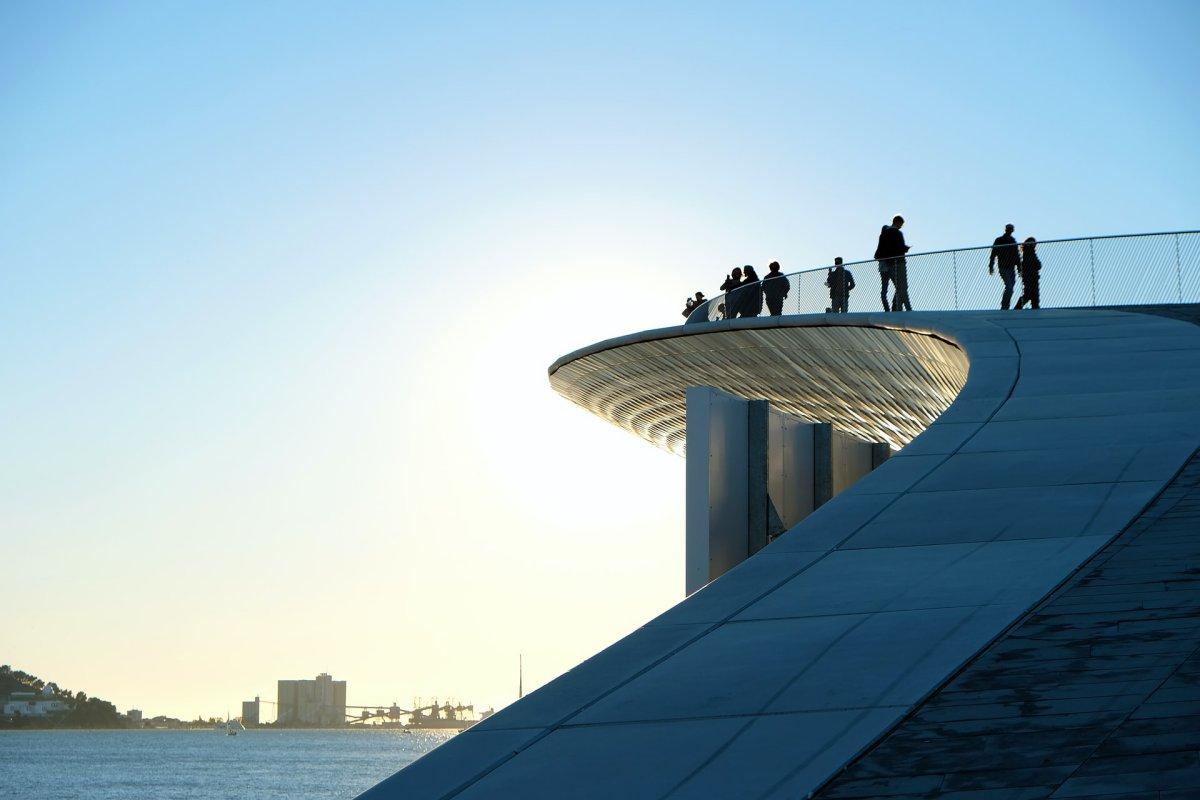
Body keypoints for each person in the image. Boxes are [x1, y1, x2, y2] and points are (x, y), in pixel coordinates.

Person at [875, 216, 911, 311]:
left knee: (895, 288)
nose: (901, 226)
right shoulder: (897, 233)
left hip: (888, 263)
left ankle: (896, 308)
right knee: (902, 287)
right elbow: (898, 247)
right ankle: (902, 308)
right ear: (898, 222)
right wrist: (905, 248)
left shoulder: (884, 234)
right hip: (899, 262)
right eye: (901, 224)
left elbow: (881, 250)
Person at [988, 223, 1021, 310]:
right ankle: (1005, 306)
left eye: (1011, 229)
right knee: (1009, 286)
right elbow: (993, 254)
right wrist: (991, 266)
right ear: (1006, 229)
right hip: (1003, 267)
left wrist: (1019, 269)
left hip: (1011, 268)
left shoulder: (1013, 241)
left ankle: (1005, 305)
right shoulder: (999, 240)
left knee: (1010, 287)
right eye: (1009, 229)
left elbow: (1016, 256)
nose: (1010, 230)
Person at [1015, 237, 1041, 309]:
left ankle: (1019, 307)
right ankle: (1019, 308)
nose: (1034, 245)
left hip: (1032, 276)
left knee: (1032, 294)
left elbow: (1037, 265)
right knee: (1031, 294)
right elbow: (1037, 265)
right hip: (1030, 276)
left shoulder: (1028, 252)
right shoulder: (1029, 252)